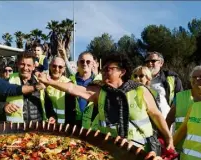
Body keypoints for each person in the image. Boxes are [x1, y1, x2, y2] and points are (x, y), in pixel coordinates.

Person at [38, 53, 174, 152]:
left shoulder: (139, 90)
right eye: (103, 69)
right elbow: (73, 88)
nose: (103, 72)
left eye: (109, 69)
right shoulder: (100, 92)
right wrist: (49, 82)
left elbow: (156, 115)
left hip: (139, 151)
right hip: (111, 150)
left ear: (122, 71)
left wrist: (168, 137)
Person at [3, 51, 55, 124]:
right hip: (15, 129)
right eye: (22, 64)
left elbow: (47, 103)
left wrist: (52, 116)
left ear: (34, 67)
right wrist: (4, 106)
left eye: (29, 65)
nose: (25, 68)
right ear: (18, 64)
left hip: (37, 127)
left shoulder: (40, 82)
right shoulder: (8, 81)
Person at [166, 64, 201, 131]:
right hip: (180, 141)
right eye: (194, 77)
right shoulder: (181, 97)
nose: (197, 79)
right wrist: (167, 139)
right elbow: (168, 120)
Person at [145, 51, 183, 118]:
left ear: (161, 63)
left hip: (166, 120)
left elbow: (180, 101)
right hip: (146, 121)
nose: (149, 63)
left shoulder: (173, 79)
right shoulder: (138, 78)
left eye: (153, 61)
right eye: (147, 61)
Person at [45, 57, 71, 124]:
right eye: (54, 66)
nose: (56, 69)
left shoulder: (69, 83)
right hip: (46, 126)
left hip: (64, 127)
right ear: (50, 66)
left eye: (60, 67)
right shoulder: (43, 82)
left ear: (64, 69)